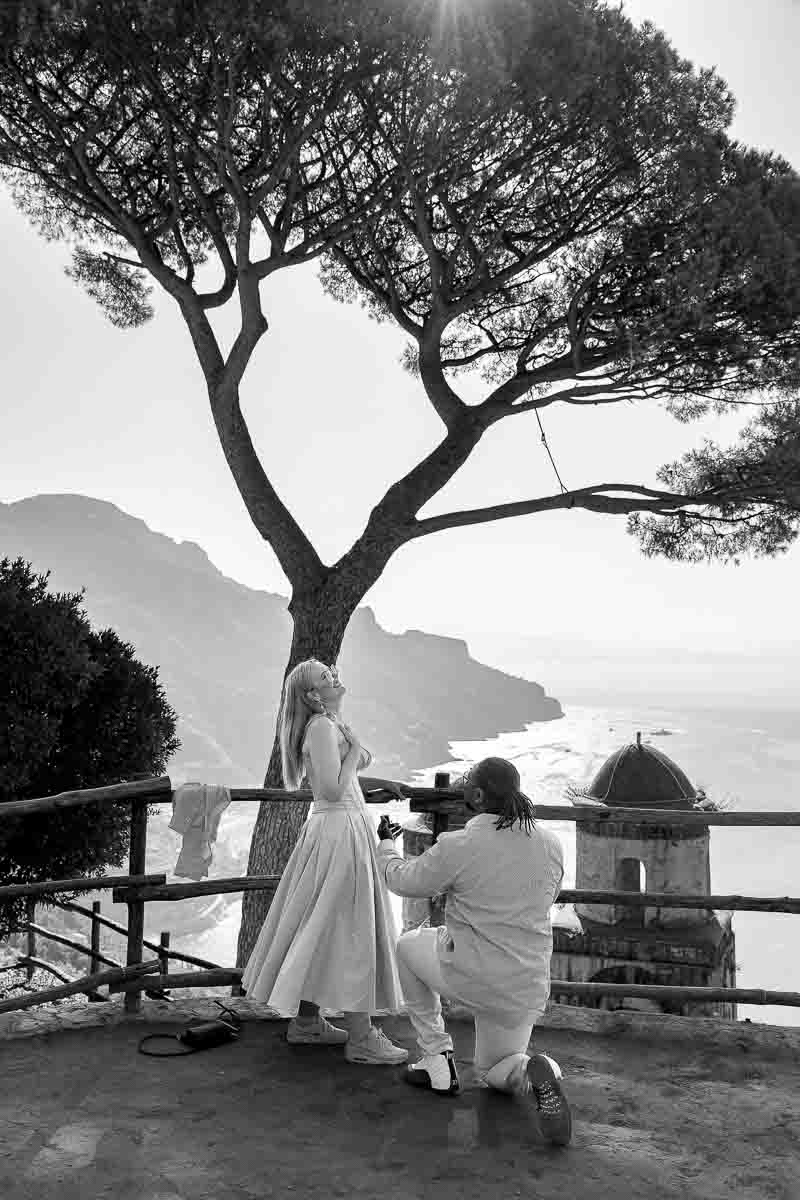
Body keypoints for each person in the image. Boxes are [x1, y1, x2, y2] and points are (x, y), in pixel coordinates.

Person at [375, 757, 572, 1146]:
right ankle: (539, 1071)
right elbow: (548, 895)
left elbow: (404, 880)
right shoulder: (550, 845)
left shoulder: (460, 845)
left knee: (406, 946)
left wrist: (386, 845)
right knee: (496, 1071)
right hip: (522, 984)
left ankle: (436, 1056)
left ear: (477, 795)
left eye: (468, 783)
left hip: (469, 973)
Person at [241, 658, 409, 1065]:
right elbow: (333, 791)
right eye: (325, 677)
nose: (335, 677)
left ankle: (307, 1022)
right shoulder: (322, 728)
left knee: (322, 922)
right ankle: (362, 1037)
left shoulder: (326, 725)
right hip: (340, 832)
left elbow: (338, 781)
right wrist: (356, 751)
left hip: (337, 829)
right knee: (353, 926)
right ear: (313, 696)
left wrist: (358, 762)